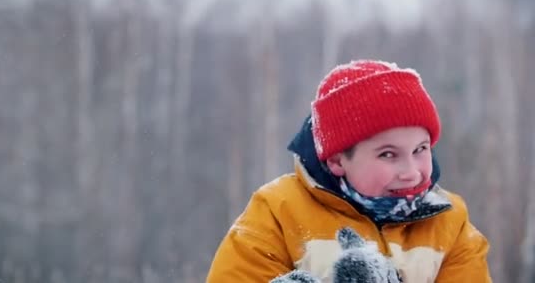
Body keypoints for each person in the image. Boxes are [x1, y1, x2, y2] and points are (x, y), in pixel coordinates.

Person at [206, 59, 491, 282]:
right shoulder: (278, 213)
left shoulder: (450, 223)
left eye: (421, 149)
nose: (411, 172)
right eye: (388, 154)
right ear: (337, 160)